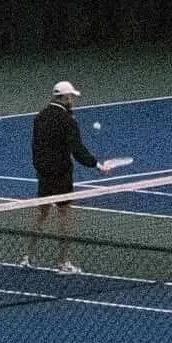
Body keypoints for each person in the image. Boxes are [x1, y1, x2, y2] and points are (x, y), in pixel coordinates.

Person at [28, 75, 109, 265]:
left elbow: (36, 146)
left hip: (44, 173)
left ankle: (28, 256)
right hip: (61, 173)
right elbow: (77, 150)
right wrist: (97, 165)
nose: (72, 100)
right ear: (65, 98)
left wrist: (40, 168)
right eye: (71, 97)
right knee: (64, 215)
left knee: (41, 213)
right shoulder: (68, 120)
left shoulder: (40, 117)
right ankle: (63, 262)